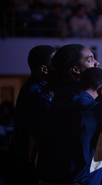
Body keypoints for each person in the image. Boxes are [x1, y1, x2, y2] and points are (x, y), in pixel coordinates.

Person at [6, 45, 56, 185]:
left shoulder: (37, 89)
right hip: (27, 168)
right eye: (55, 61)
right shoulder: (35, 95)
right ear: (44, 69)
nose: (59, 66)